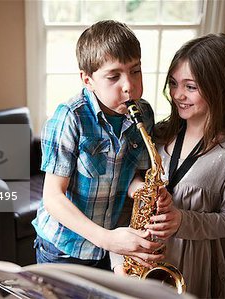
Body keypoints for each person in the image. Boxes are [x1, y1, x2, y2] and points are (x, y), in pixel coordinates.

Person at [112, 33, 225, 298]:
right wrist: (120, 261)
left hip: (192, 266)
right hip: (143, 259)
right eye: (174, 83)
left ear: (220, 87)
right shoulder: (157, 133)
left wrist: (182, 221)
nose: (177, 95)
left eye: (191, 87)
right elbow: (128, 192)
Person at [32, 20, 176, 270]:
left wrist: (143, 192)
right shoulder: (70, 117)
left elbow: (134, 175)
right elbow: (53, 196)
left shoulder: (144, 114)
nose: (129, 86)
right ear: (87, 80)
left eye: (135, 70)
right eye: (114, 76)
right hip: (62, 248)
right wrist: (106, 238)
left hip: (107, 248)